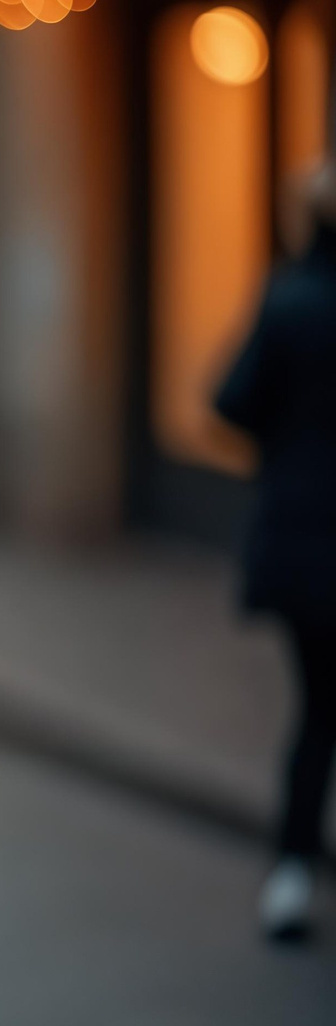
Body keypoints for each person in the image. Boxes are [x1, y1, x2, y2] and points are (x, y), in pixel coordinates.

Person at [215, 159, 336, 944]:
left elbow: (230, 398)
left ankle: (291, 870)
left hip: (303, 535)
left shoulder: (288, 299)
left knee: (319, 706)